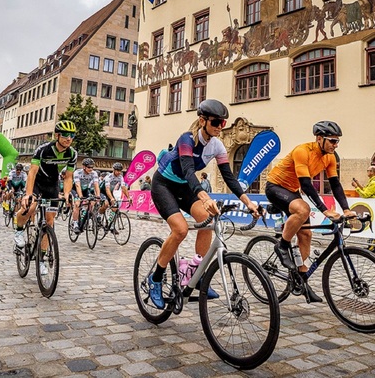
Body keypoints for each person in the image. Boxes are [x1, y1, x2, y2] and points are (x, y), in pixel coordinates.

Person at [148, 99, 260, 309]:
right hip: (164, 184)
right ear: (202, 121)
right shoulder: (186, 139)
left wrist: (248, 202)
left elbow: (229, 177)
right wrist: (205, 197)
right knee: (180, 230)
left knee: (207, 219)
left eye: (223, 123)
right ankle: (155, 278)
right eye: (216, 122)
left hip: (184, 187)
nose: (220, 127)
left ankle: (197, 273)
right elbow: (189, 171)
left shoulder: (217, 145)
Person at [266, 121, 356, 303]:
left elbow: (335, 185)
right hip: (275, 186)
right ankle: (282, 246)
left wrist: (346, 209)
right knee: (303, 209)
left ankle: (301, 281)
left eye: (337, 142)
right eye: (332, 141)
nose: (335, 145)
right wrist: (325, 210)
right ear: (319, 138)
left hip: (292, 190)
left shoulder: (330, 157)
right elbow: (307, 185)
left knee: (306, 234)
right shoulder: (303, 151)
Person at [14, 120, 78, 275]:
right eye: (65, 135)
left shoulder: (72, 154)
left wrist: (68, 192)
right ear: (57, 135)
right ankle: (19, 230)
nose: (69, 138)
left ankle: (41, 259)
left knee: (49, 221)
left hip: (52, 185)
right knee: (29, 208)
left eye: (72, 135)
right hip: (37, 182)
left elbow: (68, 177)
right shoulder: (43, 150)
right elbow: (32, 172)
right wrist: (28, 194)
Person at [71, 158, 100, 234]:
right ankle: (75, 223)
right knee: (77, 204)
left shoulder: (94, 173)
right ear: (84, 167)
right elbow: (77, 185)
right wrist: (80, 196)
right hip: (75, 189)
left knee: (92, 202)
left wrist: (98, 196)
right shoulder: (77, 172)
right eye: (89, 167)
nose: (91, 169)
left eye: (92, 167)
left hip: (85, 189)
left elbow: (96, 185)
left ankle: (84, 216)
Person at [102, 163, 133, 232]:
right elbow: (107, 189)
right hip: (103, 191)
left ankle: (111, 225)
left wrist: (128, 197)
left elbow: (123, 187)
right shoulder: (108, 177)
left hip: (111, 192)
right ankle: (98, 216)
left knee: (115, 208)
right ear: (114, 170)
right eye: (117, 170)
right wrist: (111, 198)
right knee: (106, 204)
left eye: (120, 171)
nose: (119, 172)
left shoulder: (120, 177)